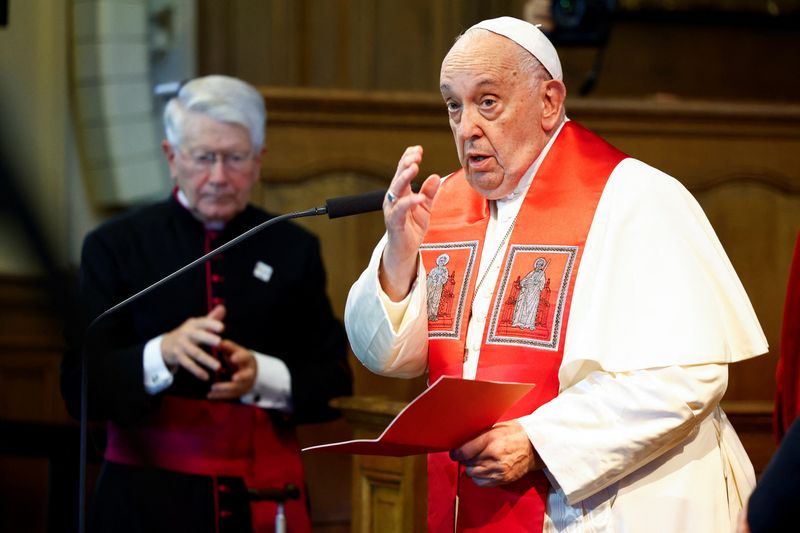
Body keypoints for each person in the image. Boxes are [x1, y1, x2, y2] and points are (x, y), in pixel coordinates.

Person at [345, 16, 767, 532]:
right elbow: (391, 355)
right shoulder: (448, 205)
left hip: (621, 500)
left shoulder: (636, 197)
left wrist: (541, 441)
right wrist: (400, 255)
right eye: (454, 105)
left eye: (488, 101)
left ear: (549, 101)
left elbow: (687, 376)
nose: (466, 126)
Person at [61, 75, 352, 533]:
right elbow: (80, 386)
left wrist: (264, 374)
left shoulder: (292, 248)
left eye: (235, 158)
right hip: (143, 503)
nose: (218, 176)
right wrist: (163, 353)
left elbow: (334, 377)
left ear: (259, 161)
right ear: (171, 157)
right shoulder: (114, 246)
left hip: (262, 494)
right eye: (203, 158)